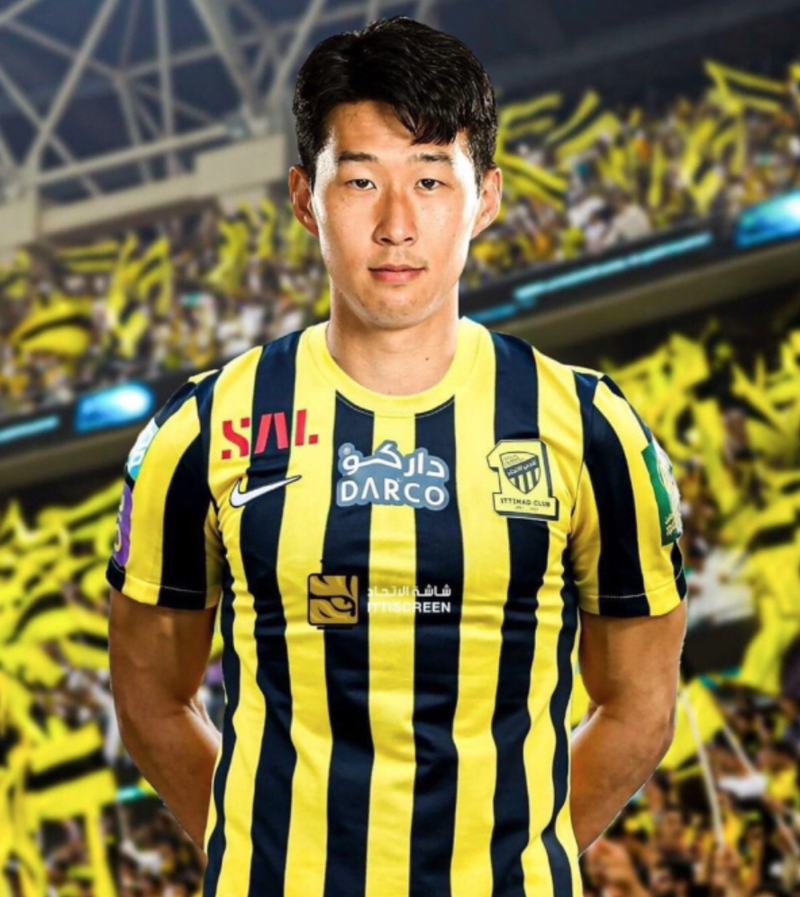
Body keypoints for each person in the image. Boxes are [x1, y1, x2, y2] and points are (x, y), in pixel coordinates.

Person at [107, 16, 688, 897]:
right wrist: (257, 855)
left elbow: (640, 703)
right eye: (360, 180)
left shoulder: (592, 427)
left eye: (430, 178)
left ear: (485, 198)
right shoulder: (201, 428)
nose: (396, 224)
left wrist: (513, 859)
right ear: (305, 198)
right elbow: (151, 700)